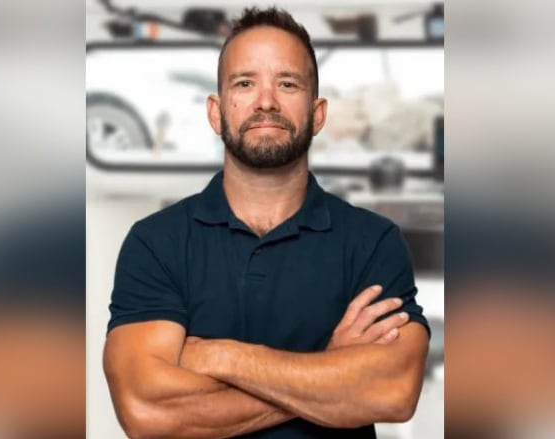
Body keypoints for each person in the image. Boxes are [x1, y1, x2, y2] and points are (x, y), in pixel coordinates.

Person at [104, 6, 430, 439]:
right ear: (216, 112)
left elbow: (392, 391)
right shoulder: (155, 243)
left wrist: (220, 357)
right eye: (245, 83)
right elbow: (146, 411)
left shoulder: (372, 241)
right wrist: (329, 369)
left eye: (287, 83)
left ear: (318, 114)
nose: (266, 101)